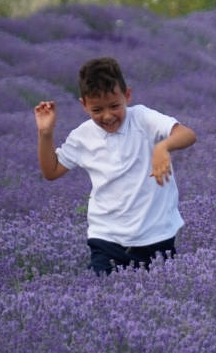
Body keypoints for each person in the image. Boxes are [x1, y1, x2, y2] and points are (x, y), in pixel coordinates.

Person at [34, 56, 197, 274]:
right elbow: (51, 171)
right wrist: (45, 134)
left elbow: (187, 134)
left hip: (157, 237)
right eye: (97, 110)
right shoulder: (82, 136)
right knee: (101, 297)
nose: (108, 116)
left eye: (114, 106)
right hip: (106, 239)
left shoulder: (143, 118)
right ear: (84, 105)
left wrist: (162, 147)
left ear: (127, 95)